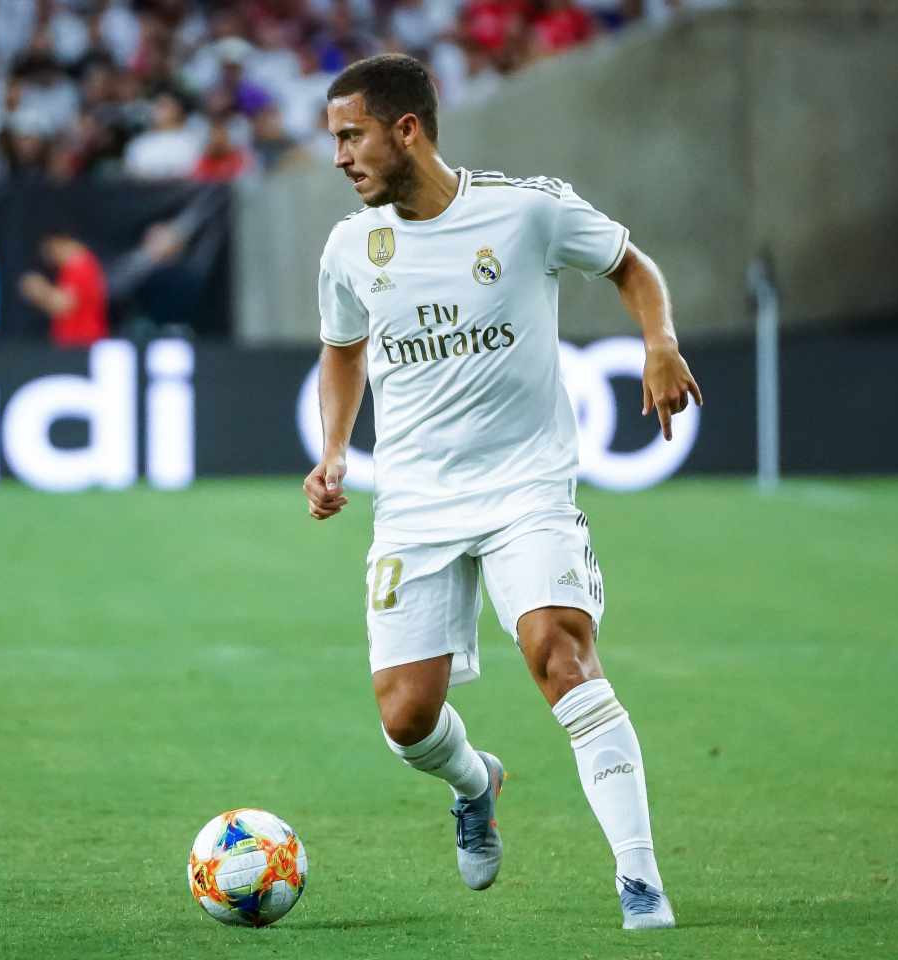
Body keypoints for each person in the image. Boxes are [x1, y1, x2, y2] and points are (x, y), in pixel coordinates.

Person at [302, 54, 701, 931]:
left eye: (350, 136)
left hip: (527, 488)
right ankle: (476, 782)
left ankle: (640, 880)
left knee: (559, 654)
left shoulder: (526, 212)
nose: (339, 157)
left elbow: (631, 265)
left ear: (406, 130)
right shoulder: (348, 248)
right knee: (408, 719)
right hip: (414, 505)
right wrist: (334, 450)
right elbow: (342, 348)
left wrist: (659, 341)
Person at [18, 227, 109, 346]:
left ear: (59, 243)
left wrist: (39, 289)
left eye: (50, 250)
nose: (49, 257)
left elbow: (63, 305)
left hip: (81, 342)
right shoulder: (73, 266)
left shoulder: (79, 265)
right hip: (74, 341)